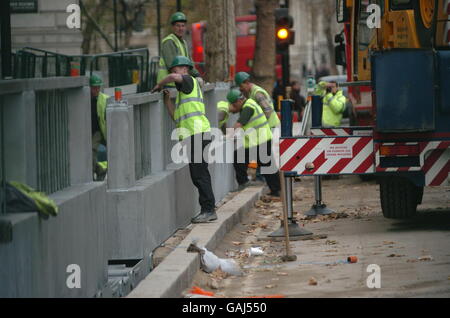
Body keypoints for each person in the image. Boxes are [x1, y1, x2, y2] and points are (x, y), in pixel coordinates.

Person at [151, 56, 217, 223]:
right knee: (198, 174)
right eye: (173, 69)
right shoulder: (183, 94)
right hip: (194, 136)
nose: (174, 72)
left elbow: (173, 78)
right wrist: (167, 102)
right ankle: (208, 209)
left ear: (186, 69)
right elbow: (176, 118)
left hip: (198, 134)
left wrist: (160, 83)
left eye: (177, 68)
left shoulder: (189, 81)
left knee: (200, 174)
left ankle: (208, 210)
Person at [226, 89, 281, 197]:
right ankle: (276, 190)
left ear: (238, 101)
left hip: (260, 141)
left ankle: (244, 183)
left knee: (239, 158)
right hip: (261, 140)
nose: (233, 107)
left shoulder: (248, 108)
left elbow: (239, 124)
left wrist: (227, 136)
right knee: (267, 166)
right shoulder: (250, 103)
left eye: (233, 105)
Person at [157, 12, 198, 87]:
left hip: (179, 83)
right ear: (173, 27)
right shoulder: (169, 41)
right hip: (168, 84)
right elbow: (171, 65)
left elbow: (190, 63)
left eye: (183, 26)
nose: (181, 28)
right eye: (178, 26)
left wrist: (197, 75)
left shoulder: (184, 43)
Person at [90, 74, 109, 181]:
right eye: (94, 87)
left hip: (97, 131)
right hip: (85, 131)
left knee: (91, 151)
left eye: (98, 87)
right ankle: (100, 170)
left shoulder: (103, 99)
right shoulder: (83, 98)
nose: (96, 89)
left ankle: (91, 178)